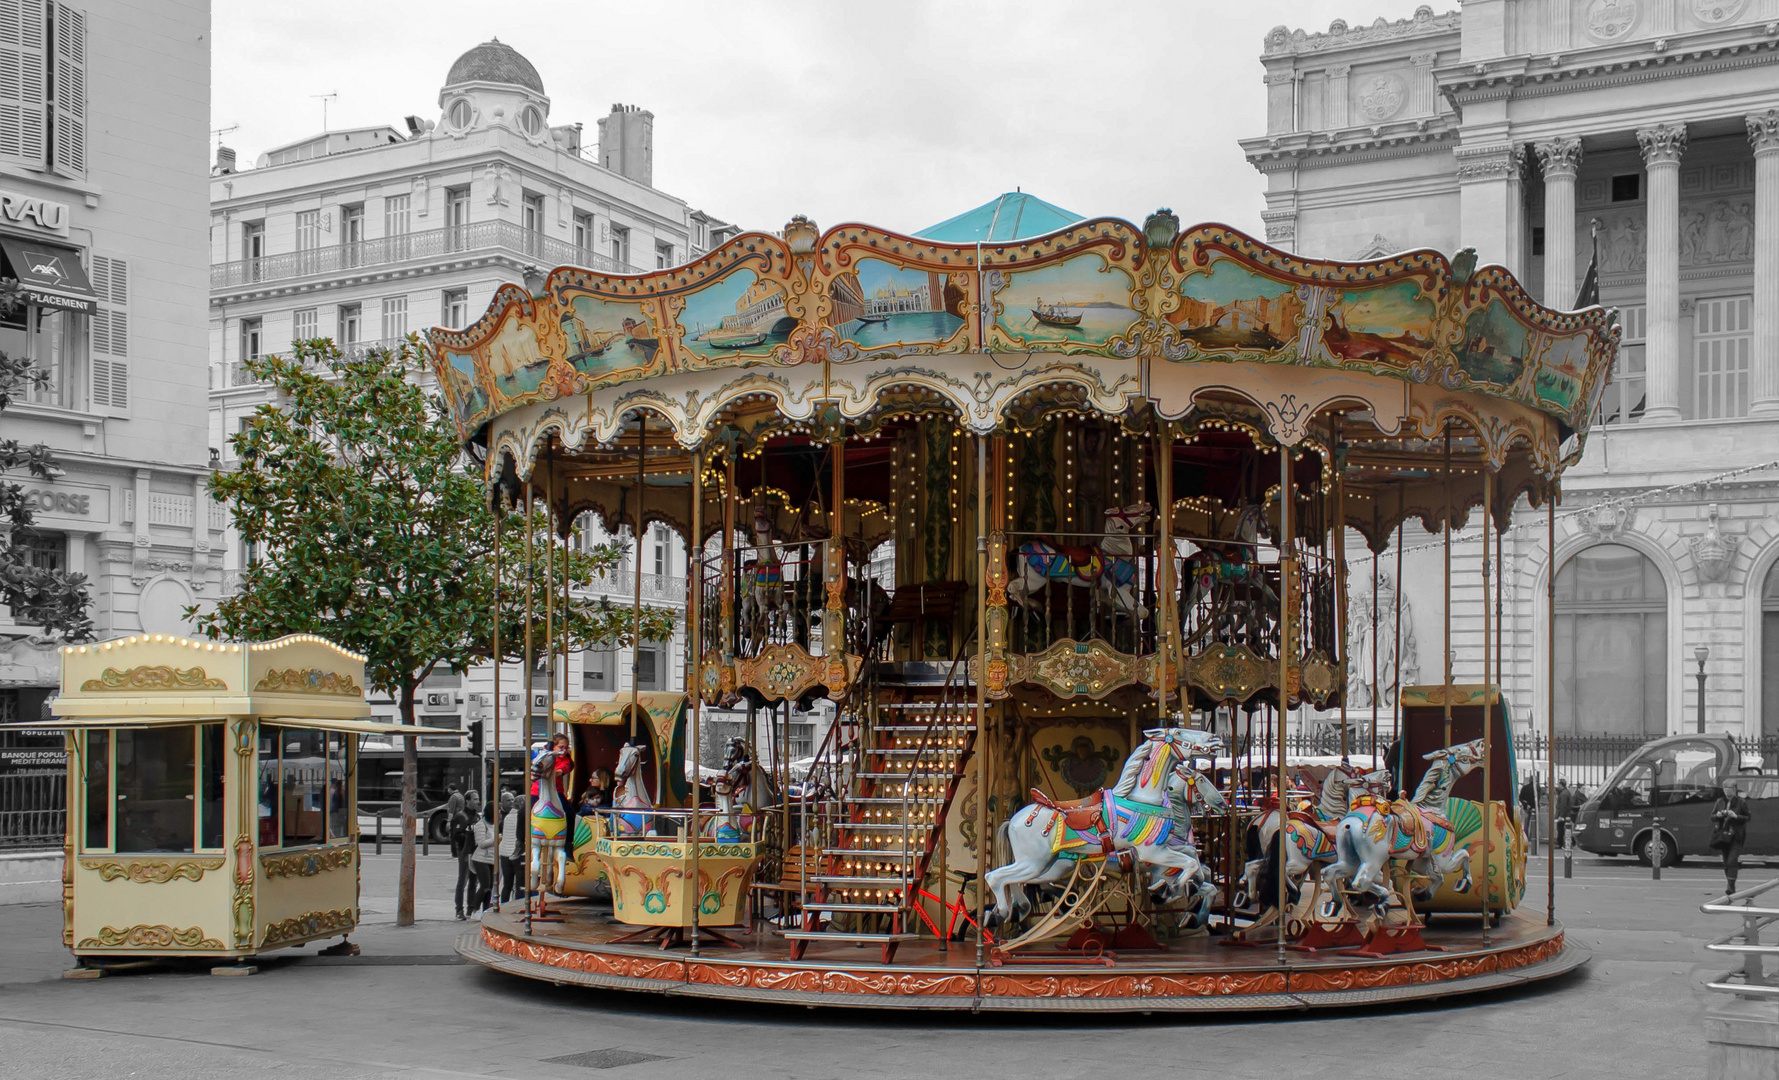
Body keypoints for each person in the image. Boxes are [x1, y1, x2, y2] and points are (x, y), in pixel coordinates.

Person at [1713, 777, 1752, 894]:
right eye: (1725, 788)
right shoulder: (1720, 802)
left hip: (1736, 836)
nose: (1727, 790)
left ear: (1735, 789)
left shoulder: (1741, 802)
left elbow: (1748, 817)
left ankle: (1730, 886)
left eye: (1730, 788)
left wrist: (1735, 816)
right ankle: (1730, 884)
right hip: (1723, 836)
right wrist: (1718, 815)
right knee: (1726, 862)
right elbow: (1712, 817)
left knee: (1731, 861)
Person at [446, 792, 473, 920]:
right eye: (475, 799)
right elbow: (456, 835)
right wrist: (469, 835)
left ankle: (471, 909)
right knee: (463, 880)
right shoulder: (461, 816)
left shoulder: (476, 817)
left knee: (474, 881)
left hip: (475, 852)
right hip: (465, 852)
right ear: (467, 801)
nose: (478, 802)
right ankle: (459, 909)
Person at [468, 803, 497, 914]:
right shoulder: (481, 825)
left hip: (491, 858)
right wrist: (495, 839)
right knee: (485, 885)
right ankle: (474, 910)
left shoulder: (494, 825)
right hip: (481, 858)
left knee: (490, 887)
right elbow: (481, 843)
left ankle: (485, 911)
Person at [499, 791, 525, 904]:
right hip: (516, 853)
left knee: (507, 884)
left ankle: (503, 905)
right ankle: (517, 906)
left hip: (504, 853)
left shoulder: (508, 817)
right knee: (519, 884)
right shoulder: (521, 817)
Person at [1519, 776, 1539, 855]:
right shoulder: (1537, 788)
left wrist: (1526, 804)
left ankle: (1526, 838)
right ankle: (1534, 838)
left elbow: (1520, 798)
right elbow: (1538, 798)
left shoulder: (1525, 788)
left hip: (1527, 807)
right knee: (1535, 823)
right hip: (1535, 808)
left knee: (1526, 823)